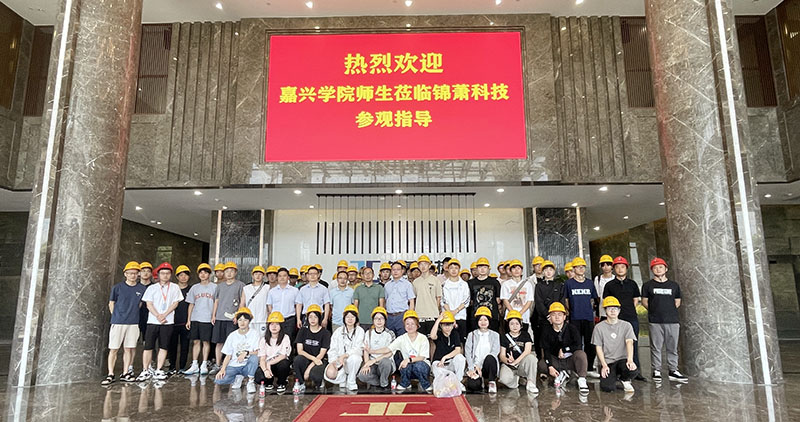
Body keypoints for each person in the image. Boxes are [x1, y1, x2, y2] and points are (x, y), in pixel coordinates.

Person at [642, 257, 687, 382]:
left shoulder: (674, 285)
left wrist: (668, 310)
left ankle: (673, 370)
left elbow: (677, 302)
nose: (658, 269)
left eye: (661, 267)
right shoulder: (647, 285)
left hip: (672, 320)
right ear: (652, 270)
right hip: (655, 320)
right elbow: (645, 302)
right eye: (655, 267)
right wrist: (655, 310)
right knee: (656, 347)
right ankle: (656, 370)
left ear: (666, 269)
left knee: (672, 347)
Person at [137, 262, 184, 382]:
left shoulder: (175, 287)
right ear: (158, 275)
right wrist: (158, 315)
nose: (165, 275)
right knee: (148, 347)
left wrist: (165, 314)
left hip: (167, 322)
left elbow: (175, 303)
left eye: (167, 273)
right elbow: (148, 304)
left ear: (171, 275)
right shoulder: (152, 288)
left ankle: (158, 369)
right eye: (162, 273)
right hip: (153, 321)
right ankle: (145, 370)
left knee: (163, 346)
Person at [104, 261, 147, 385]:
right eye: (130, 273)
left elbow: (140, 304)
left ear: (138, 274)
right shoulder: (117, 287)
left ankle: (126, 372)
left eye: (135, 273)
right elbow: (111, 303)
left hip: (133, 322)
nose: (132, 275)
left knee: (129, 348)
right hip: (118, 322)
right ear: (125, 274)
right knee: (114, 348)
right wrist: (116, 316)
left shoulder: (142, 288)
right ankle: (110, 373)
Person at [603, 256, 644, 379]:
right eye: (617, 267)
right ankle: (617, 371)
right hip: (615, 319)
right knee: (615, 344)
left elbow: (635, 299)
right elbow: (606, 302)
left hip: (631, 318)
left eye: (622, 267)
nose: (620, 269)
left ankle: (635, 371)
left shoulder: (632, 284)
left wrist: (629, 309)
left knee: (633, 344)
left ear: (626, 268)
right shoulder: (609, 285)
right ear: (613, 269)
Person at [372, 310, 432, 393]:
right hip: (408, 367)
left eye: (412, 324)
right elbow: (388, 349)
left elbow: (422, 357)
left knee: (418, 365)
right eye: (407, 324)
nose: (410, 326)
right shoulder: (401, 338)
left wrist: (408, 360)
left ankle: (425, 384)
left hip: (422, 367)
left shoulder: (423, 338)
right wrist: (372, 351)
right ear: (404, 325)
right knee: (404, 365)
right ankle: (405, 383)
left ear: (417, 325)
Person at [538, 302, 589, 393]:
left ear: (564, 317)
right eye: (554, 315)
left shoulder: (572, 328)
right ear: (550, 317)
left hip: (569, 359)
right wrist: (550, 366)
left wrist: (564, 350)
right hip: (556, 360)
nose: (557, 317)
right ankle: (559, 373)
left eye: (559, 314)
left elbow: (578, 345)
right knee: (542, 364)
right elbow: (546, 350)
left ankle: (581, 379)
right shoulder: (546, 331)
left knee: (581, 354)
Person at [591, 296, 637, 392]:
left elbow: (629, 342)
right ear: (605, 310)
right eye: (609, 308)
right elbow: (598, 347)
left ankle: (624, 380)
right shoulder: (599, 327)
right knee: (607, 388)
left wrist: (630, 360)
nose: (613, 311)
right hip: (608, 362)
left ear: (619, 310)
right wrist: (604, 365)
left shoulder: (626, 325)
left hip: (622, 360)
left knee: (632, 370)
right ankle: (614, 377)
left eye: (615, 308)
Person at [563, 257, 598, 376]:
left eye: (582, 267)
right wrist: (570, 311)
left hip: (588, 317)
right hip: (575, 317)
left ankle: (589, 368)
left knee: (590, 344)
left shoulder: (590, 283)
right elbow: (566, 300)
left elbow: (593, 299)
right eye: (578, 267)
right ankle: (577, 368)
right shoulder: (569, 283)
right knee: (576, 344)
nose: (581, 269)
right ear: (574, 269)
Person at [215, 307, 261, 394]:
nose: (242, 323)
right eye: (240, 320)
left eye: (245, 320)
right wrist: (222, 369)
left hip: (247, 365)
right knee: (219, 380)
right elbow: (228, 355)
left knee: (254, 358)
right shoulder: (232, 335)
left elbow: (258, 352)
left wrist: (246, 353)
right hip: (234, 365)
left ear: (249, 321)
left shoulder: (254, 334)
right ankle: (238, 377)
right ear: (237, 321)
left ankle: (250, 381)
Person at [211, 262, 246, 375]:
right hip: (220, 317)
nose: (229, 273)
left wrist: (238, 316)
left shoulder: (240, 285)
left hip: (232, 319)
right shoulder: (220, 286)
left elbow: (242, 302)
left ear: (235, 272)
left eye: (232, 271)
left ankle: (231, 365)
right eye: (227, 271)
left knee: (233, 343)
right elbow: (216, 301)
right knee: (219, 342)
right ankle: (218, 364)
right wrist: (213, 315)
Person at [184, 263, 216, 375]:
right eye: (201, 273)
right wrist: (189, 319)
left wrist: (214, 316)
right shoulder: (194, 288)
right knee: (196, 341)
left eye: (205, 272)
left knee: (206, 342)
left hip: (207, 318)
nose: (203, 275)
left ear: (209, 274)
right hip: (195, 318)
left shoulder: (214, 287)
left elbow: (216, 303)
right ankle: (194, 364)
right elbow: (191, 304)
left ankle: (204, 364)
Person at [324, 305, 365, 391]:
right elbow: (332, 348)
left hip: (352, 360)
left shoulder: (360, 331)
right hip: (339, 361)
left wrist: (345, 355)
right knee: (330, 372)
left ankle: (351, 380)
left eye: (352, 317)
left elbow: (358, 348)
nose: (350, 319)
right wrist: (333, 362)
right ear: (344, 318)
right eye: (347, 317)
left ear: (356, 318)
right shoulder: (338, 331)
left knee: (355, 358)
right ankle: (342, 378)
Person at [498, 310, 539, 394]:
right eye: (512, 324)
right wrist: (508, 361)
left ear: (521, 325)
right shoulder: (504, 337)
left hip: (522, 364)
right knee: (503, 379)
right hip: (509, 365)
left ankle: (531, 383)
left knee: (532, 358)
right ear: (508, 325)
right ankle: (516, 381)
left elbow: (527, 351)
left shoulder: (525, 335)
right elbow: (502, 355)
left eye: (517, 323)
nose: (515, 326)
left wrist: (516, 362)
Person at [293, 304, 331, 393]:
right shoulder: (303, 330)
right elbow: (300, 351)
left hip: (320, 359)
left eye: (315, 317)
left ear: (319, 318)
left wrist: (308, 369)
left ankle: (319, 382)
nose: (312, 319)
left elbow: (322, 354)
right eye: (310, 317)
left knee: (315, 375)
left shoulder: (325, 333)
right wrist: (313, 359)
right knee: (297, 360)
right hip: (307, 358)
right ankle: (300, 383)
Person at [464, 306, 500, 393]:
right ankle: (481, 381)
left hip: (488, 366)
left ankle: (491, 382)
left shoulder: (495, 335)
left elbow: (495, 351)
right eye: (480, 320)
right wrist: (473, 367)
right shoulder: (471, 335)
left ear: (489, 321)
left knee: (490, 357)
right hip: (475, 366)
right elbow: (468, 353)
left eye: (485, 320)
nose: (483, 322)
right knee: (473, 385)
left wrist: (482, 366)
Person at [255, 311, 292, 394]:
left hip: (279, 363)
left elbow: (283, 356)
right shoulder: (263, 340)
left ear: (281, 326)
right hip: (268, 365)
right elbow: (262, 358)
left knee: (284, 364)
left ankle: (282, 383)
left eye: (277, 324)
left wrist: (269, 363)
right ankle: (269, 382)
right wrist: (265, 370)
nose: (274, 327)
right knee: (258, 376)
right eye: (272, 324)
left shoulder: (285, 338)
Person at [533, 260, 564, 358]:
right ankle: (544, 361)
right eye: (546, 270)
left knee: (558, 340)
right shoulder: (539, 286)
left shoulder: (559, 285)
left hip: (557, 319)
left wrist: (556, 315)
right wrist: (548, 316)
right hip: (544, 319)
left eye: (550, 269)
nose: (548, 272)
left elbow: (562, 300)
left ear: (554, 271)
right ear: (543, 272)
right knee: (543, 342)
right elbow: (539, 302)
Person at [430, 311, 466, 392]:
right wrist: (438, 320)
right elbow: (432, 336)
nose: (447, 327)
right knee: (438, 369)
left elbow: (458, 350)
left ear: (453, 325)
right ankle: (448, 382)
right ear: (441, 325)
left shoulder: (455, 334)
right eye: (444, 325)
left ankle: (458, 382)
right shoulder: (439, 334)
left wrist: (445, 357)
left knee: (460, 358)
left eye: (449, 324)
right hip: (439, 364)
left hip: (450, 363)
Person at [168, 265, 192, 374]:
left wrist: (190, 320)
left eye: (186, 275)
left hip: (186, 322)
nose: (183, 277)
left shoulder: (191, 289)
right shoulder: (172, 288)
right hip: (172, 321)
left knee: (185, 346)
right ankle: (172, 366)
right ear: (177, 277)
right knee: (172, 345)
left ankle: (182, 367)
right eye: (181, 275)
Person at [500, 260, 535, 333]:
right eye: (514, 268)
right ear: (510, 271)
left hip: (524, 316)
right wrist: (513, 313)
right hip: (509, 315)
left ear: (522, 271)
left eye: (518, 268)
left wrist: (520, 313)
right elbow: (505, 300)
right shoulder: (506, 284)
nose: (516, 270)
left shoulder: (528, 284)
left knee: (523, 335)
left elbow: (529, 301)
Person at [412, 255, 443, 337]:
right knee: (420, 339)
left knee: (432, 338)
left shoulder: (436, 280)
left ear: (429, 265)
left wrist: (435, 310)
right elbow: (414, 299)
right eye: (421, 264)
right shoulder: (415, 282)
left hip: (432, 315)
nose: (423, 266)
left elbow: (438, 298)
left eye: (425, 264)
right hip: (419, 315)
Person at [468, 257, 502, 332]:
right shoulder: (470, 283)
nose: (482, 269)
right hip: (476, 316)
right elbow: (471, 301)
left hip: (492, 316)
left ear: (488, 269)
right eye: (480, 267)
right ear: (477, 269)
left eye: (485, 267)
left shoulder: (495, 282)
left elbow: (498, 300)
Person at [267, 267, 300, 343]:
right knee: (275, 340)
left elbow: (297, 305)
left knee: (289, 340)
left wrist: (298, 319)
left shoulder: (295, 291)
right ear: (277, 278)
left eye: (284, 276)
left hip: (289, 320)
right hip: (276, 320)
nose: (282, 278)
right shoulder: (272, 291)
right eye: (280, 276)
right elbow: (270, 305)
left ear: (288, 277)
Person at [384, 261, 416, 336]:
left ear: (402, 271)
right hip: (389, 316)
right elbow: (385, 300)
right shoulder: (387, 285)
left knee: (402, 338)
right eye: (393, 270)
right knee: (389, 338)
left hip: (401, 316)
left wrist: (409, 316)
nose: (395, 272)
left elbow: (411, 301)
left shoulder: (407, 284)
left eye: (398, 269)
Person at [441, 259, 470, 343]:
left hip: (461, 316)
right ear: (447, 269)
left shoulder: (464, 284)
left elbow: (466, 300)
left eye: (456, 268)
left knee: (461, 342)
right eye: (451, 268)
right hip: (447, 317)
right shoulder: (444, 284)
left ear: (459, 270)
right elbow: (443, 301)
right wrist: (450, 313)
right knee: (447, 342)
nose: (454, 270)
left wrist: (456, 311)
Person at [295, 265, 331, 329]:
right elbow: (299, 304)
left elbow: (327, 304)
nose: (312, 276)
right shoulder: (302, 289)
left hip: (319, 316)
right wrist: (298, 319)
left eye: (315, 274)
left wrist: (325, 319)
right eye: (310, 274)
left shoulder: (324, 289)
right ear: (307, 275)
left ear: (318, 275)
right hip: (306, 316)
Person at [353, 266, 385, 331]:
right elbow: (355, 306)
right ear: (362, 276)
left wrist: (380, 320)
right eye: (365, 273)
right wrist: (356, 320)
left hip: (375, 321)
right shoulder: (358, 289)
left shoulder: (379, 288)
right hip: (361, 321)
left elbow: (381, 306)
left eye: (369, 273)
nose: (368, 275)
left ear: (373, 275)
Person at [243, 266, 270, 337]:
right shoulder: (246, 288)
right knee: (249, 337)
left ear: (263, 276)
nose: (258, 276)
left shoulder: (267, 287)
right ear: (252, 275)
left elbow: (269, 304)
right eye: (256, 274)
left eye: (260, 274)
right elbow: (242, 303)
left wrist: (269, 315)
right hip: (249, 318)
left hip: (262, 318)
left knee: (262, 338)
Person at [137, 261, 154, 347]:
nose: (145, 273)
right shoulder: (134, 286)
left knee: (149, 343)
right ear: (139, 273)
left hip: (150, 317)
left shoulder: (154, 287)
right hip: (135, 317)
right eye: (143, 271)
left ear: (151, 274)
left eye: (148, 271)